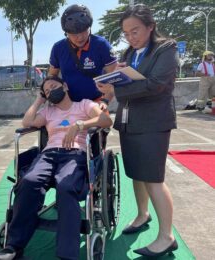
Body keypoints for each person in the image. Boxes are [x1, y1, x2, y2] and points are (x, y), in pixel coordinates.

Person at [0, 76, 113, 260]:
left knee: (66, 187)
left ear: (65, 86)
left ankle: (67, 255)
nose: (50, 92)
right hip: (48, 154)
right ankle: (13, 247)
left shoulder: (83, 105)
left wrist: (80, 124)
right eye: (47, 91)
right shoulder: (48, 111)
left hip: (75, 154)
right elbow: (27, 123)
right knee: (28, 181)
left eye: (53, 87)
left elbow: (105, 120)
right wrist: (40, 99)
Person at [96, 4, 178, 257]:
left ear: (150, 27)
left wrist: (117, 89)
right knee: (137, 174)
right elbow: (129, 80)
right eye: (127, 33)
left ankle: (167, 236)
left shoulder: (167, 48)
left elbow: (156, 85)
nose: (131, 37)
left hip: (153, 122)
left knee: (153, 178)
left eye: (136, 31)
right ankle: (143, 214)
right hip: (129, 120)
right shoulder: (131, 53)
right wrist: (110, 86)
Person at [49, 4, 117, 107]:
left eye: (84, 32)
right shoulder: (58, 48)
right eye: (74, 34)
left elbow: (115, 77)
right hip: (68, 105)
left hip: (96, 102)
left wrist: (105, 101)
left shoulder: (102, 45)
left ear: (89, 28)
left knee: (104, 122)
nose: (80, 38)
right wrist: (53, 96)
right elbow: (52, 76)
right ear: (66, 33)